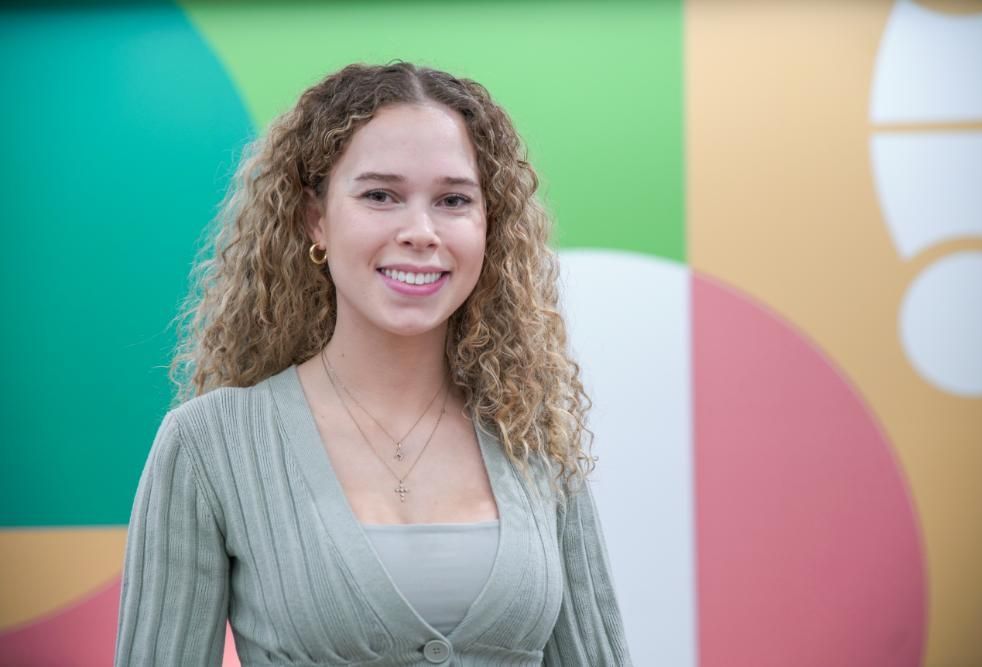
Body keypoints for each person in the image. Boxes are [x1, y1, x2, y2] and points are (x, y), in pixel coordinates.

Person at [114, 61, 632, 666]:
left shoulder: (530, 437)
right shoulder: (209, 444)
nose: (420, 230)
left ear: (490, 225)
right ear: (316, 218)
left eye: (453, 200)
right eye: (380, 195)